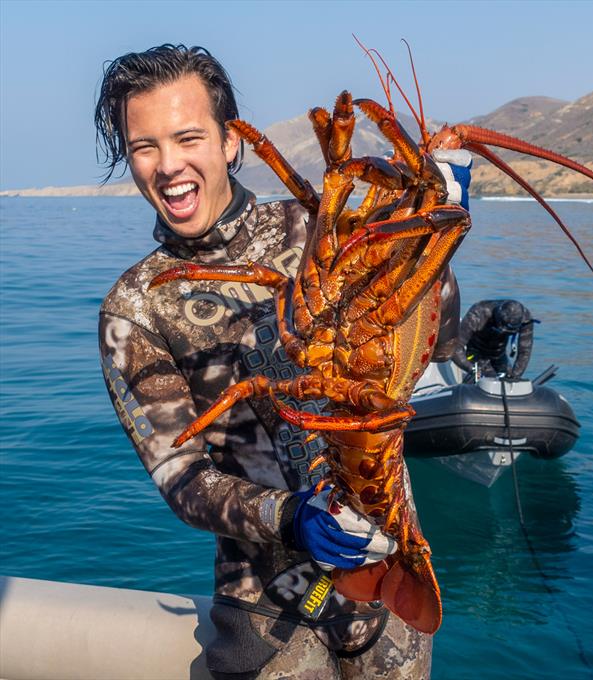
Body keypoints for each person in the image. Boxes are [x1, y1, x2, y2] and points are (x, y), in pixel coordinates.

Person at [95, 45, 469, 680]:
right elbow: (182, 479)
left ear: (233, 140)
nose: (168, 166)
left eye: (188, 138)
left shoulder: (321, 228)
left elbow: (432, 348)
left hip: (395, 584)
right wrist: (289, 516)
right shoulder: (135, 308)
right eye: (144, 146)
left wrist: (434, 255)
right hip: (267, 618)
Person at [451, 300, 536, 382]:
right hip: (475, 353)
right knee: (490, 379)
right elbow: (455, 348)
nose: (502, 332)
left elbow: (525, 351)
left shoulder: (525, 319)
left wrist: (515, 376)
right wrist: (471, 369)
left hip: (499, 354)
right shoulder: (478, 313)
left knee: (508, 379)